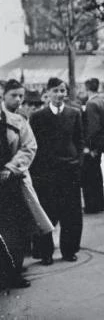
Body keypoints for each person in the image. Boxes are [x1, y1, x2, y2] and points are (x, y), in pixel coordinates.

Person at [0, 84, 51, 289]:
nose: (19, 100)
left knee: (15, 231)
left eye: (21, 96)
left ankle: (13, 274)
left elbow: (29, 147)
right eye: (14, 95)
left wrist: (10, 169)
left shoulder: (19, 121)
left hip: (13, 183)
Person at [29, 77, 84, 265]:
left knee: (71, 214)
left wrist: (78, 162)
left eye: (62, 91)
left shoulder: (74, 114)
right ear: (48, 93)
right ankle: (45, 253)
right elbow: (33, 146)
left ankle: (69, 251)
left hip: (70, 170)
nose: (59, 94)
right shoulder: (37, 116)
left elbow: (79, 140)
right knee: (47, 213)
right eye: (55, 91)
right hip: (46, 173)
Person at [81, 78, 104, 213]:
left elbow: (93, 127)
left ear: (87, 89)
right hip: (101, 142)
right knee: (96, 174)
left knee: (90, 175)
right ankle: (98, 203)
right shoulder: (101, 101)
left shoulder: (91, 104)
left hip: (93, 144)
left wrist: (89, 147)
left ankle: (92, 205)